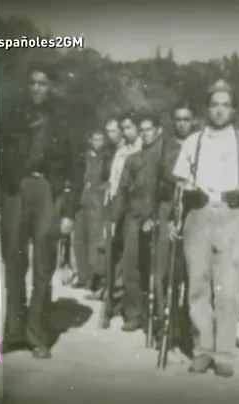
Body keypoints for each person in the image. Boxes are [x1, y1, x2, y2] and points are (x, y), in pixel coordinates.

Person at [0, 62, 84, 359]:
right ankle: (14, 333)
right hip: (16, 193)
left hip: (47, 193)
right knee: (14, 262)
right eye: (32, 83)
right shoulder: (14, 118)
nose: (37, 89)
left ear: (51, 87)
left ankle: (38, 336)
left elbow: (77, 171)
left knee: (43, 267)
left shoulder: (65, 123)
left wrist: (68, 213)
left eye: (43, 84)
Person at [172, 80, 239, 377]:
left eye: (225, 104)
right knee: (197, 285)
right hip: (198, 215)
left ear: (233, 109)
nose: (220, 110)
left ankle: (224, 354)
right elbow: (180, 183)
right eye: (215, 105)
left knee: (229, 289)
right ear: (207, 108)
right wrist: (178, 216)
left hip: (232, 216)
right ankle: (202, 350)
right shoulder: (194, 141)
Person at [111, 113, 165, 332]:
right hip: (134, 215)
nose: (145, 133)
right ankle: (134, 313)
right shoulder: (133, 159)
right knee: (131, 264)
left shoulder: (167, 156)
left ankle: (161, 315)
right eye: (141, 130)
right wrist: (115, 218)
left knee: (159, 267)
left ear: (158, 130)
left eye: (149, 129)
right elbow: (122, 190)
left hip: (159, 215)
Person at [87, 113, 142, 300]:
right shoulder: (119, 150)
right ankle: (109, 288)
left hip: (130, 202)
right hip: (114, 200)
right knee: (111, 243)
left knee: (126, 247)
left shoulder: (139, 149)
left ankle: (119, 290)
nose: (125, 132)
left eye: (128, 128)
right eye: (123, 128)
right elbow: (112, 178)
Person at [153, 101, 196, 327]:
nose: (182, 124)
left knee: (189, 269)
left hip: (191, 210)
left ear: (193, 121)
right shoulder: (164, 146)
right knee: (162, 268)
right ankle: (163, 321)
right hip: (166, 206)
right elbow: (155, 180)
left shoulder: (200, 144)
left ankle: (186, 324)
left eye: (186, 119)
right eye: (178, 119)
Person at [72, 129, 110, 290]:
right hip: (82, 200)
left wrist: (101, 190)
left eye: (101, 140)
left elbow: (108, 180)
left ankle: (94, 278)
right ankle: (82, 275)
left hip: (97, 202)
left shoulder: (106, 158)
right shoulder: (83, 157)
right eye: (95, 139)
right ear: (90, 140)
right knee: (79, 238)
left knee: (95, 240)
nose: (98, 143)